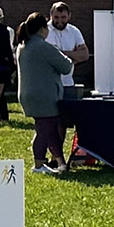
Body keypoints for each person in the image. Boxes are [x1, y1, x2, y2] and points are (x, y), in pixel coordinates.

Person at [14, 14, 73, 173]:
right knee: (43, 130)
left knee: (50, 129)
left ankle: (61, 163)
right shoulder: (43, 46)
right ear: (42, 30)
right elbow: (66, 66)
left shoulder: (22, 46)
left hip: (28, 94)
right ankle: (39, 164)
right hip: (44, 96)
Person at [45, 2, 90, 99]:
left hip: (68, 83)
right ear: (50, 15)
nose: (59, 21)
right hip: (48, 84)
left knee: (69, 113)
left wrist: (59, 53)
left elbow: (85, 54)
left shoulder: (74, 31)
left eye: (63, 17)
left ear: (69, 16)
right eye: (56, 17)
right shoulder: (44, 31)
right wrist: (72, 57)